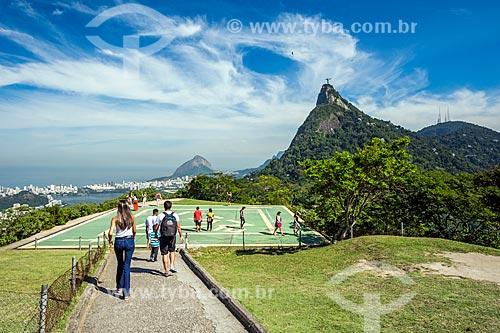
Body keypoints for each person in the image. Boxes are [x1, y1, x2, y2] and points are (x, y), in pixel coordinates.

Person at [108, 200, 137, 300]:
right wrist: (133, 237)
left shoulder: (115, 219)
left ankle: (119, 287)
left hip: (119, 241)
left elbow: (111, 232)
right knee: (127, 266)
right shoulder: (132, 217)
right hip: (129, 240)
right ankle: (126, 293)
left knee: (120, 263)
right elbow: (134, 230)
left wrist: (110, 240)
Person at [157, 200, 184, 276]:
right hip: (172, 235)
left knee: (164, 253)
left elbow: (157, 226)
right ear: (171, 206)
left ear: (164, 206)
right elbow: (178, 226)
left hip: (163, 236)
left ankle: (166, 271)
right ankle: (172, 265)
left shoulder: (161, 215)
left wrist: (156, 233)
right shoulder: (175, 215)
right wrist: (181, 235)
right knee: (172, 251)